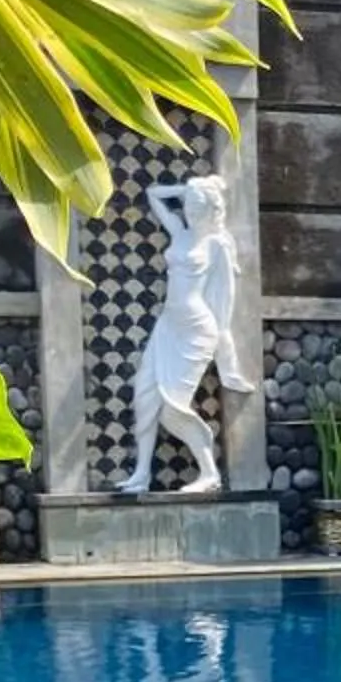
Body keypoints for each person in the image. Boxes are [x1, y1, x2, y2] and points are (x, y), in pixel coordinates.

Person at [119, 174, 249, 496]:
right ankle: (141, 473)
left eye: (195, 207)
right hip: (168, 325)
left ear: (210, 211)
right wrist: (188, 189)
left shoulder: (217, 244)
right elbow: (152, 194)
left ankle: (209, 473)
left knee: (172, 408)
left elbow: (226, 298)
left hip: (196, 329)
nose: (189, 212)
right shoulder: (180, 233)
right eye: (187, 206)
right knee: (144, 394)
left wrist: (223, 341)